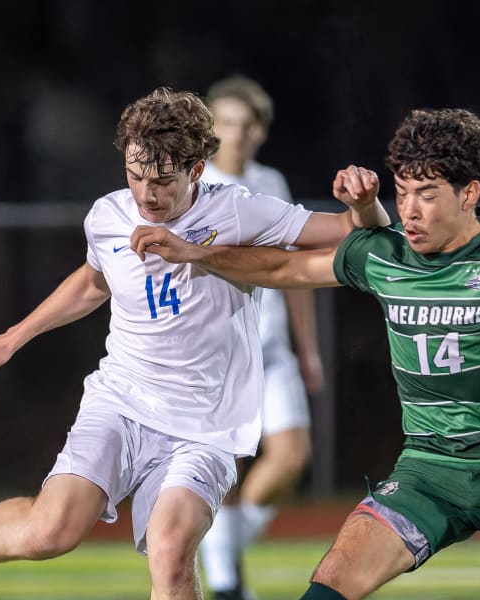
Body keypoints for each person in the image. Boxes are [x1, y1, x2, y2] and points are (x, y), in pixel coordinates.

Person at [0, 87, 389, 600]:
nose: (147, 193)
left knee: (171, 552)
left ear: (197, 169)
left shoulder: (238, 210)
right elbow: (93, 283)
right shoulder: (107, 216)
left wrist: (364, 204)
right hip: (123, 401)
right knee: (49, 532)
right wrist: (13, 337)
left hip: (206, 424)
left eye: (163, 181)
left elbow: (353, 230)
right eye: (135, 176)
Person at [131, 107, 480, 600]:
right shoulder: (388, 254)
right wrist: (196, 253)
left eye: (427, 195)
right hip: (429, 469)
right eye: (402, 193)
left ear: (469, 194)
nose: (410, 210)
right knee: (333, 580)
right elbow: (283, 269)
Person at [196, 75, 324, 599]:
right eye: (225, 123)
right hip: (217, 352)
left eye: (246, 124)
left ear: (261, 131)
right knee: (226, 467)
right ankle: (226, 583)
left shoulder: (271, 181)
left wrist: (308, 349)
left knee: (291, 456)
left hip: (270, 348)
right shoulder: (194, 182)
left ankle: (219, 552)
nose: (236, 133)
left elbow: (295, 270)